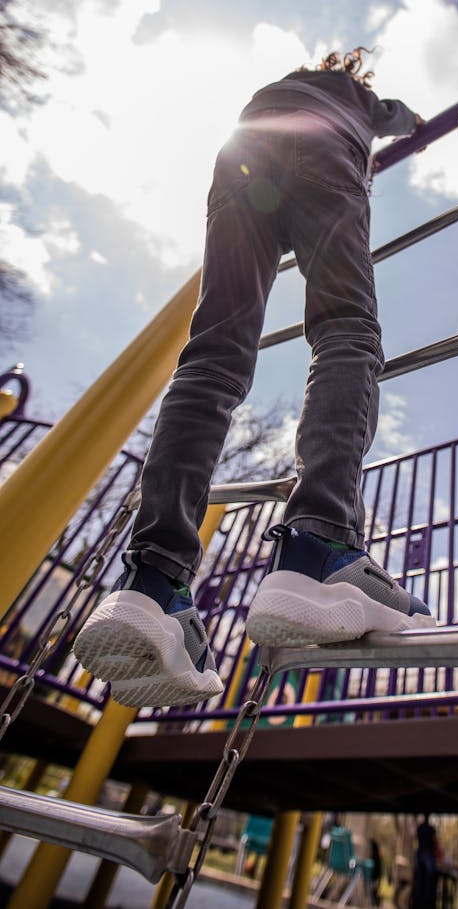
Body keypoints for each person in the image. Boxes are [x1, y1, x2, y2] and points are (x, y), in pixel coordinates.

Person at [73, 47, 435, 708]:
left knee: (212, 353)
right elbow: (399, 116)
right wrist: (410, 120)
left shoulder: (283, 84)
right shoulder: (354, 97)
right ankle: (319, 543)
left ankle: (151, 581)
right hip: (325, 156)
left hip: (242, 154)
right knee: (345, 327)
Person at [412, 815, 439, 909]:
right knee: (429, 879)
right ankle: (426, 902)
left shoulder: (420, 828)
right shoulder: (430, 829)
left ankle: (420, 901)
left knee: (421, 879)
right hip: (426, 854)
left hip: (420, 854)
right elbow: (435, 842)